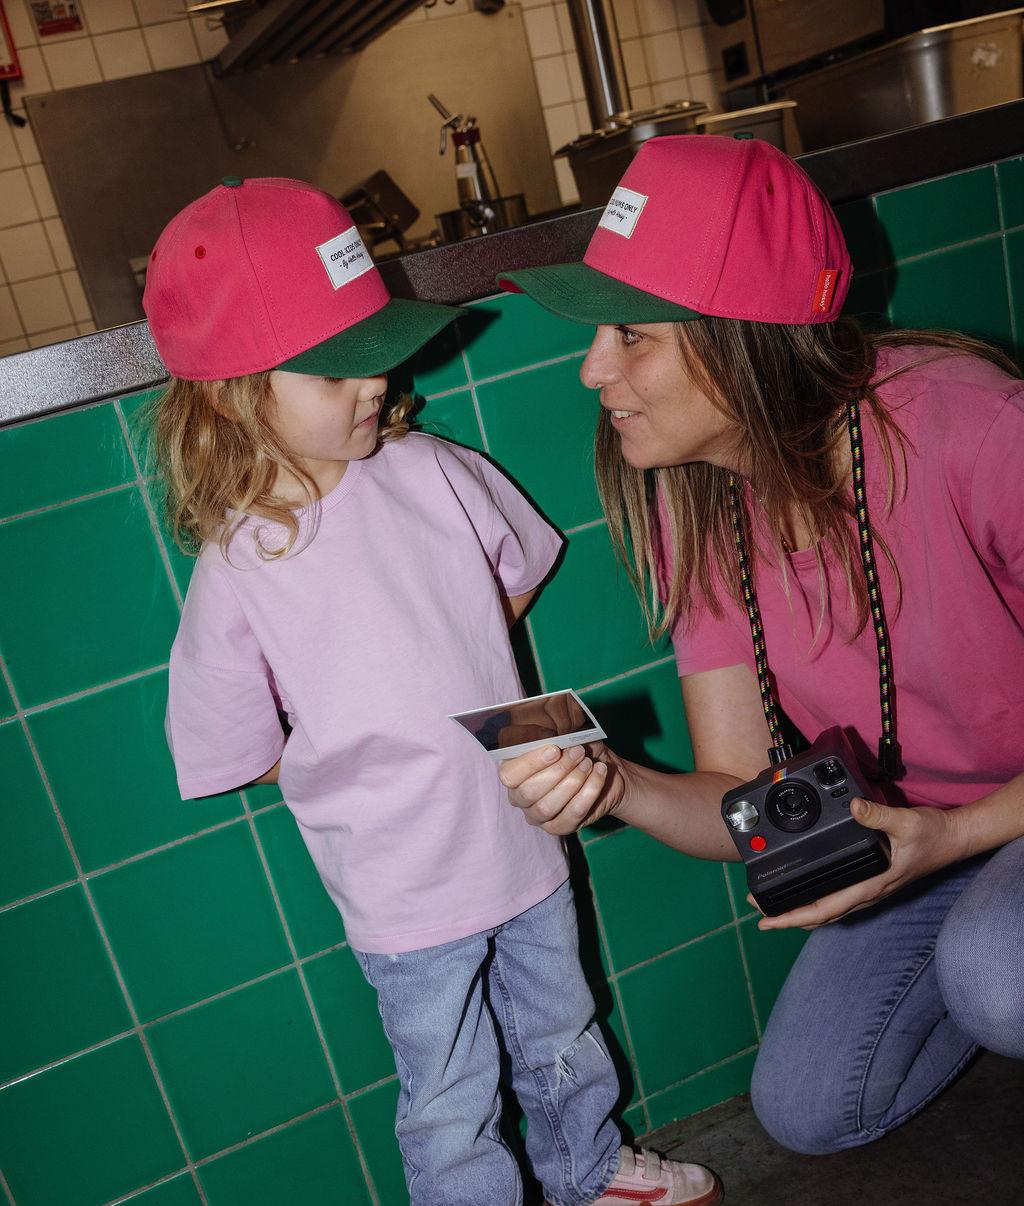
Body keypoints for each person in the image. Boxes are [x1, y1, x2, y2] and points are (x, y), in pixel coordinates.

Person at [143, 176, 723, 1206]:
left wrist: (449, 667)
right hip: (403, 886)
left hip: (520, 836)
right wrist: (362, 749)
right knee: (449, 1094)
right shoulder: (240, 567)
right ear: (233, 392)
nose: (375, 382)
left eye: (378, 351)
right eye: (338, 369)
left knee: (563, 1028)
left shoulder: (434, 470)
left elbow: (513, 574)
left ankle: (589, 1172)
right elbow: (234, 745)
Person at [495, 134, 1024, 1156]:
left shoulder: (975, 426)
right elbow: (737, 790)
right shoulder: (693, 504)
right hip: (922, 837)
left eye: (630, 334)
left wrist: (957, 837)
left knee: (999, 977)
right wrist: (614, 784)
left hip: (978, 823)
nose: (592, 369)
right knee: (809, 1108)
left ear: (748, 338)